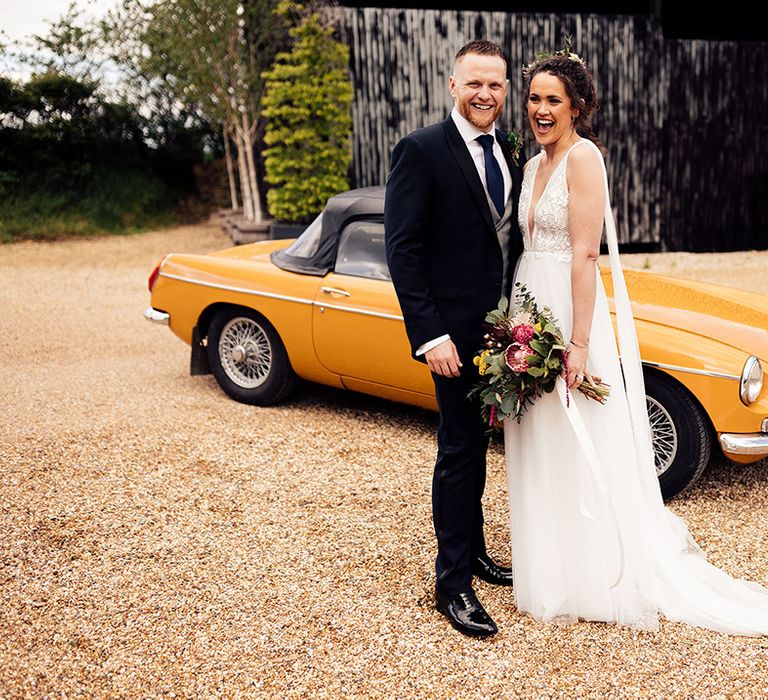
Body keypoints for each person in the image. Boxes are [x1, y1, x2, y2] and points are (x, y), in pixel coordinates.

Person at [504, 47, 768, 634]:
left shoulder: (583, 158)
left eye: (553, 100)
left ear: (578, 107)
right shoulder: (530, 164)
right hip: (528, 306)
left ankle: (597, 573)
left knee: (580, 438)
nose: (540, 110)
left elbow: (584, 254)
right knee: (539, 436)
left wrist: (575, 345)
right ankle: (550, 567)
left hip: (569, 316)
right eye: (534, 98)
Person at [384, 39, 527, 637]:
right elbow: (403, 250)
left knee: (477, 446)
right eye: (474, 83)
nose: (485, 95)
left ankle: (473, 554)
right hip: (449, 340)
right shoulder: (421, 151)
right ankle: (452, 586)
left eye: (495, 85)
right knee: (460, 450)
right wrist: (430, 334)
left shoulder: (511, 153)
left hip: (501, 335)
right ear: (452, 84)